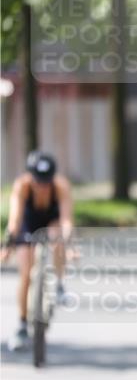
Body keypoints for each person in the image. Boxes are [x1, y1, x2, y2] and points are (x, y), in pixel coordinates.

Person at [2, 151, 73, 352]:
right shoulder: (22, 187)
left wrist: (69, 243)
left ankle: (59, 284)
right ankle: (23, 324)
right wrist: (8, 245)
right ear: (30, 176)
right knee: (25, 273)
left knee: (57, 236)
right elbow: (14, 220)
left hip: (51, 221)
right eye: (38, 181)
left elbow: (67, 220)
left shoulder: (60, 187)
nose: (42, 186)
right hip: (28, 224)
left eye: (46, 182)